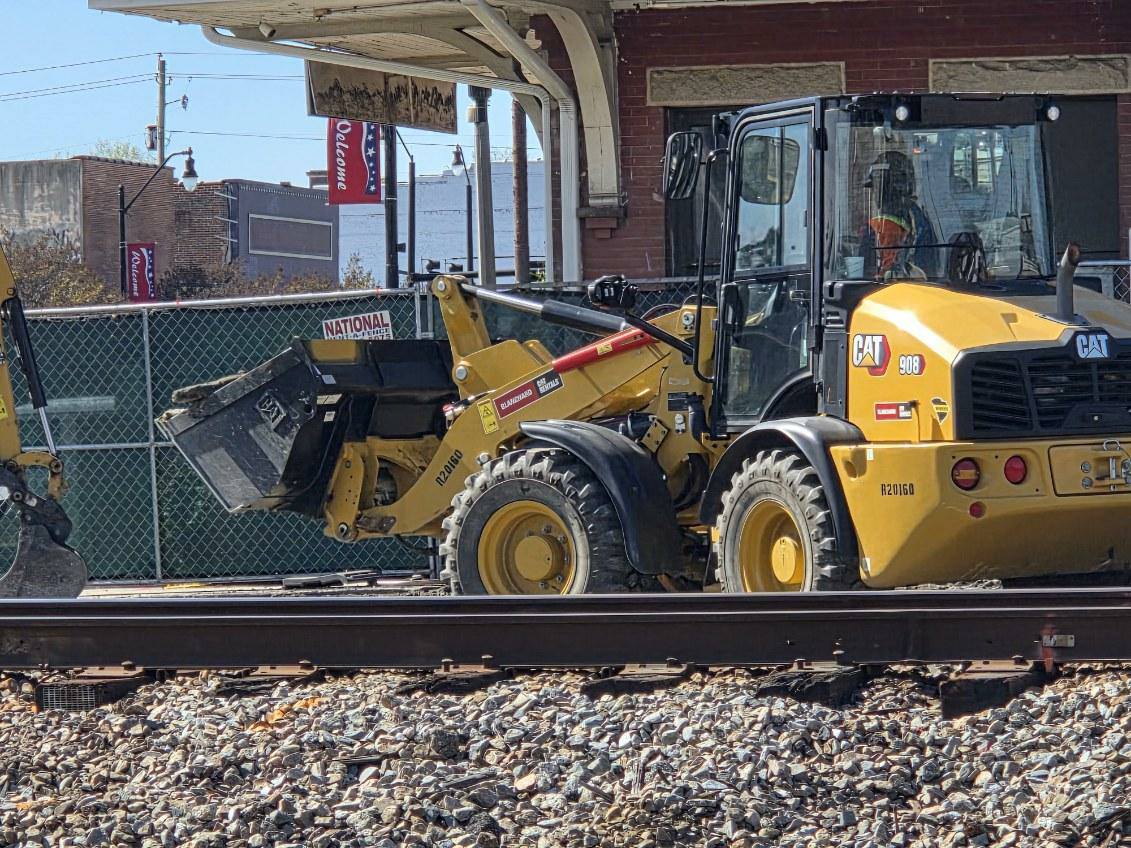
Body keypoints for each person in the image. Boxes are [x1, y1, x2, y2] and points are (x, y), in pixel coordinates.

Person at [860, 150, 939, 280]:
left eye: (876, 188)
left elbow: (865, 276)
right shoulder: (919, 217)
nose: (874, 194)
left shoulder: (880, 227)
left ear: (886, 188)